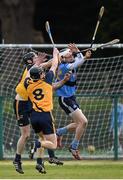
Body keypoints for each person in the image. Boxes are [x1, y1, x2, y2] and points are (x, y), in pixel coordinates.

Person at [23, 48, 60, 173]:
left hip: (34, 117)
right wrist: (56, 54)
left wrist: (36, 64)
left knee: (43, 139)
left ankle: (39, 163)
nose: (44, 73)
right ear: (41, 75)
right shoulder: (47, 81)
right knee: (52, 144)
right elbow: (54, 64)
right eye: (42, 72)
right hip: (45, 116)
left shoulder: (28, 83)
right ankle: (36, 145)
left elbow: (28, 73)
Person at [55, 43, 92, 160]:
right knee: (84, 122)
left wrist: (78, 50)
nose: (71, 55)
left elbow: (78, 59)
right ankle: (74, 146)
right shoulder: (63, 67)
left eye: (71, 54)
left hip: (71, 97)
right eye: (69, 54)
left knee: (79, 124)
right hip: (65, 98)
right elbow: (78, 62)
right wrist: (84, 57)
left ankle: (58, 132)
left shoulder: (69, 63)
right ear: (63, 58)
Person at [13, 51, 47, 174]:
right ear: (29, 61)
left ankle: (39, 162)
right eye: (35, 57)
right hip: (20, 103)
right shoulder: (30, 69)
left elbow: (48, 64)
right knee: (26, 135)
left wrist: (59, 57)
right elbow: (31, 71)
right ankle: (17, 160)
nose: (37, 58)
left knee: (43, 134)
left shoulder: (37, 68)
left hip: (31, 103)